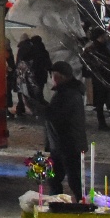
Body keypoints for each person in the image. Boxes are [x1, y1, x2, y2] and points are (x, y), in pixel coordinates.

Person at [42, 61, 87, 197]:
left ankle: (82, 207)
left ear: (63, 77)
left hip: (69, 146)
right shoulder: (64, 92)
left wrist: (36, 108)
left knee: (74, 182)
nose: (52, 79)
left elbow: (55, 115)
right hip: (60, 145)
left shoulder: (69, 94)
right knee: (54, 179)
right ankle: (56, 204)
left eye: (54, 75)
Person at [80, 27, 110, 131]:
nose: (107, 36)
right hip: (101, 78)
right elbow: (86, 62)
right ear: (100, 36)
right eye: (105, 34)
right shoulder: (93, 48)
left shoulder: (101, 46)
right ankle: (103, 123)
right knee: (102, 101)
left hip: (108, 77)